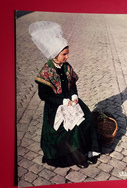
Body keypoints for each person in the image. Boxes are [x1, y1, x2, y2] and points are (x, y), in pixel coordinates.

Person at [29, 21, 101, 168]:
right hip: (56, 106)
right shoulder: (46, 71)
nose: (67, 57)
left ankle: (89, 151)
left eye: (67, 53)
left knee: (86, 119)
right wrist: (63, 102)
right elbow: (44, 96)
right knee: (69, 129)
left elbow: (73, 84)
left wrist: (74, 96)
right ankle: (76, 157)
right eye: (64, 54)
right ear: (56, 54)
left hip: (71, 102)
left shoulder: (67, 67)